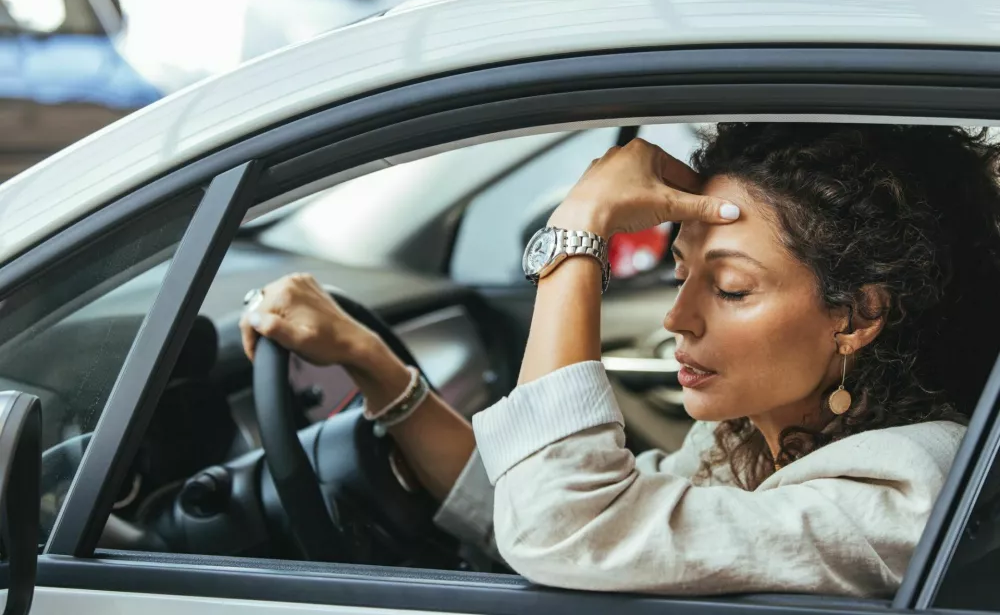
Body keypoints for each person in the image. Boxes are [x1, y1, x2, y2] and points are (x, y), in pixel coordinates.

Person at [240, 123, 1000, 597]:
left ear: (860, 314)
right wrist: (376, 367)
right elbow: (543, 505)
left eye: (731, 288)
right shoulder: (754, 440)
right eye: (682, 272)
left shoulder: (902, 494)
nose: (678, 316)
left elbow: (565, 525)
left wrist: (580, 231)